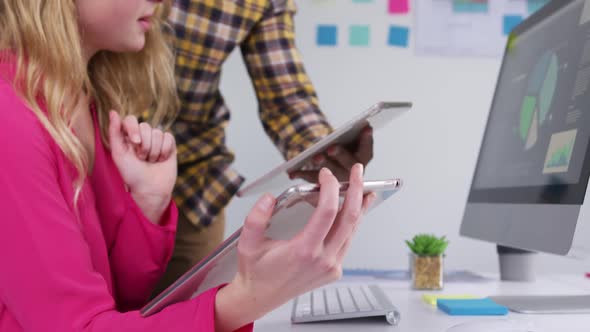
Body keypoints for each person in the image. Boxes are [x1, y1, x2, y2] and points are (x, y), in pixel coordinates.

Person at [0, 0, 375, 331]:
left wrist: (147, 202)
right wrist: (250, 296)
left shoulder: (85, 102)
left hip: (187, 188)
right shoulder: (17, 124)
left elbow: (116, 299)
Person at [157, 0, 374, 292]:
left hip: (191, 186)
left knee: (187, 309)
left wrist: (322, 151)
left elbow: (285, 98)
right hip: (95, 171)